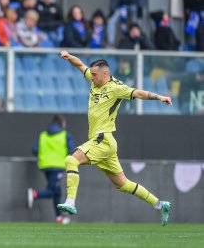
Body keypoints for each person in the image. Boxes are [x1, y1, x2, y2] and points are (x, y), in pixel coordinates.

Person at [56, 50, 172, 226]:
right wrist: (68, 56)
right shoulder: (95, 80)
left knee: (71, 160)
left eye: (94, 75)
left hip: (102, 139)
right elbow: (81, 65)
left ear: (105, 74)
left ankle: (70, 201)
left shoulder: (116, 88)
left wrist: (160, 97)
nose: (91, 78)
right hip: (107, 143)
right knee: (122, 184)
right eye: (91, 74)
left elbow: (139, 93)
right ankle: (160, 204)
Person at [28, 114, 76, 224]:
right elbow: (72, 150)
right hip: (58, 166)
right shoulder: (65, 135)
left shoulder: (43, 135)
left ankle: (59, 218)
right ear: (62, 123)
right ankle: (35, 194)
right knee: (51, 191)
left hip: (45, 166)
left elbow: (35, 149)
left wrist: (45, 157)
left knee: (57, 191)